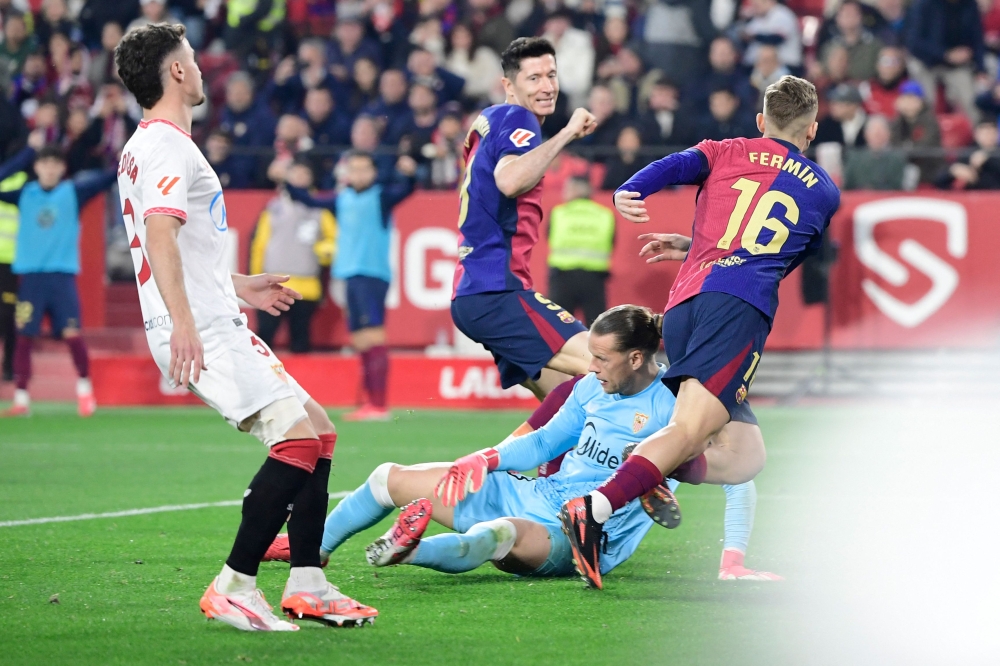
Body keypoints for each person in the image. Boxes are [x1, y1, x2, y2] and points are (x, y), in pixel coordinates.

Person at [113, 23, 376, 631]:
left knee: (318, 432)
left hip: (211, 312)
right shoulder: (168, 147)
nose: (202, 68)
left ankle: (308, 582)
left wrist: (240, 285)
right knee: (296, 443)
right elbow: (159, 237)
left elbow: (180, 251)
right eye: (194, 59)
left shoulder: (147, 145)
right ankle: (234, 584)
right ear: (176, 72)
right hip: (201, 326)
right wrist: (184, 323)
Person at [264, 305, 781, 583]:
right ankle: (315, 551)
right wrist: (485, 458)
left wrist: (732, 557)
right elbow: (541, 444)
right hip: (535, 493)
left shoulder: (681, 408)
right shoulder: (586, 388)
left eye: (603, 358)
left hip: (574, 530)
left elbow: (740, 477)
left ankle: (408, 550)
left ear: (639, 358)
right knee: (388, 477)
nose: (590, 366)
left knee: (497, 536)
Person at [561, 75, 840, 589]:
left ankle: (646, 466)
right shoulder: (823, 190)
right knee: (688, 432)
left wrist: (630, 190)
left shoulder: (726, 148)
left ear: (760, 122)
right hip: (737, 311)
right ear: (812, 129)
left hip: (687, 305)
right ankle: (593, 508)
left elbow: (672, 166)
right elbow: (774, 255)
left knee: (742, 457)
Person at [450, 37, 597, 401]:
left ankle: (501, 461)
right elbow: (510, 180)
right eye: (534, 78)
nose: (547, 86)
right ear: (509, 86)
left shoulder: (490, 120)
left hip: (475, 292)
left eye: (551, 75)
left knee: (565, 408)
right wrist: (567, 133)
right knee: (610, 362)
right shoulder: (519, 118)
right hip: (496, 291)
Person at [286, 151, 417, 421]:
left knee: (374, 336)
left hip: (371, 274)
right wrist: (287, 181)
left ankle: (380, 406)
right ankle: (370, 403)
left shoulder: (381, 197)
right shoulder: (342, 199)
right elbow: (308, 199)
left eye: (363, 169)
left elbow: (407, 189)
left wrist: (409, 172)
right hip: (349, 274)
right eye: (353, 169)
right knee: (359, 339)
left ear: (372, 172)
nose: (358, 175)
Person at [0, 137, 113, 418]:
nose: (50, 169)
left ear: (62, 168)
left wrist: (128, 153)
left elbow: (111, 177)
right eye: (44, 163)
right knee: (24, 337)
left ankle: (86, 394)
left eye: (55, 164)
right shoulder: (24, 193)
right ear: (36, 166)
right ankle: (22, 400)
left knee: (73, 335)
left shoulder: (74, 192)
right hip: (31, 278)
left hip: (62, 278)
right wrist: (27, 151)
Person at [251, 159, 336, 353]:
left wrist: (325, 251)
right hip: (274, 283)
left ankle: (302, 381)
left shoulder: (320, 208)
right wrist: (256, 279)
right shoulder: (273, 207)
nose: (299, 178)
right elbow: (260, 245)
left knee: (301, 336)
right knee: (264, 336)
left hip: (306, 284)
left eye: (304, 173)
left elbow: (334, 239)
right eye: (295, 173)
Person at [547, 176, 615, 328]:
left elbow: (549, 237)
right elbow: (611, 242)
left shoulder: (559, 213)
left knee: (558, 328)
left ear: (576, 190)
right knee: (596, 327)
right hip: (593, 280)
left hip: (562, 278)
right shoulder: (605, 215)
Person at [843, 115, 907, 190]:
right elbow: (847, 185)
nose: (877, 134)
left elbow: (897, 185)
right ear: (866, 134)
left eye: (881, 131)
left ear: (889, 134)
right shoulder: (854, 157)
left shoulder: (897, 158)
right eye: (873, 131)